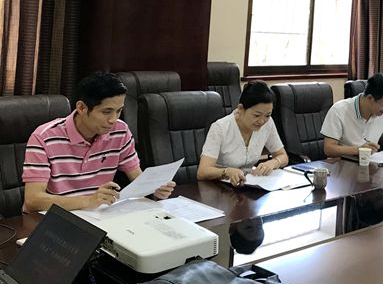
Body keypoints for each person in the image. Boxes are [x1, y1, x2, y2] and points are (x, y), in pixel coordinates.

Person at [22, 72, 175, 212]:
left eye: (119, 111)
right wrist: (88, 201)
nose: (113, 120)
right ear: (82, 108)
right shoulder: (44, 137)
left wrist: (154, 188)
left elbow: (138, 179)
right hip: (54, 218)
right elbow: (33, 200)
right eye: (107, 112)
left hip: (97, 215)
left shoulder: (120, 131)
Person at [197, 80, 288, 186]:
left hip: (250, 184)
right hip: (220, 187)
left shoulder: (268, 123)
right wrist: (226, 172)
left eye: (267, 115)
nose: (262, 121)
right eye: (256, 115)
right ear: (240, 109)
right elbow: (202, 172)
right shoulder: (220, 128)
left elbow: (283, 156)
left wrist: (273, 163)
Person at [322, 73, 383, 157]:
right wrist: (358, 150)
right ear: (370, 98)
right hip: (343, 163)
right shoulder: (339, 110)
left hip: (370, 162)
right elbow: (328, 149)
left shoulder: (382, 112)